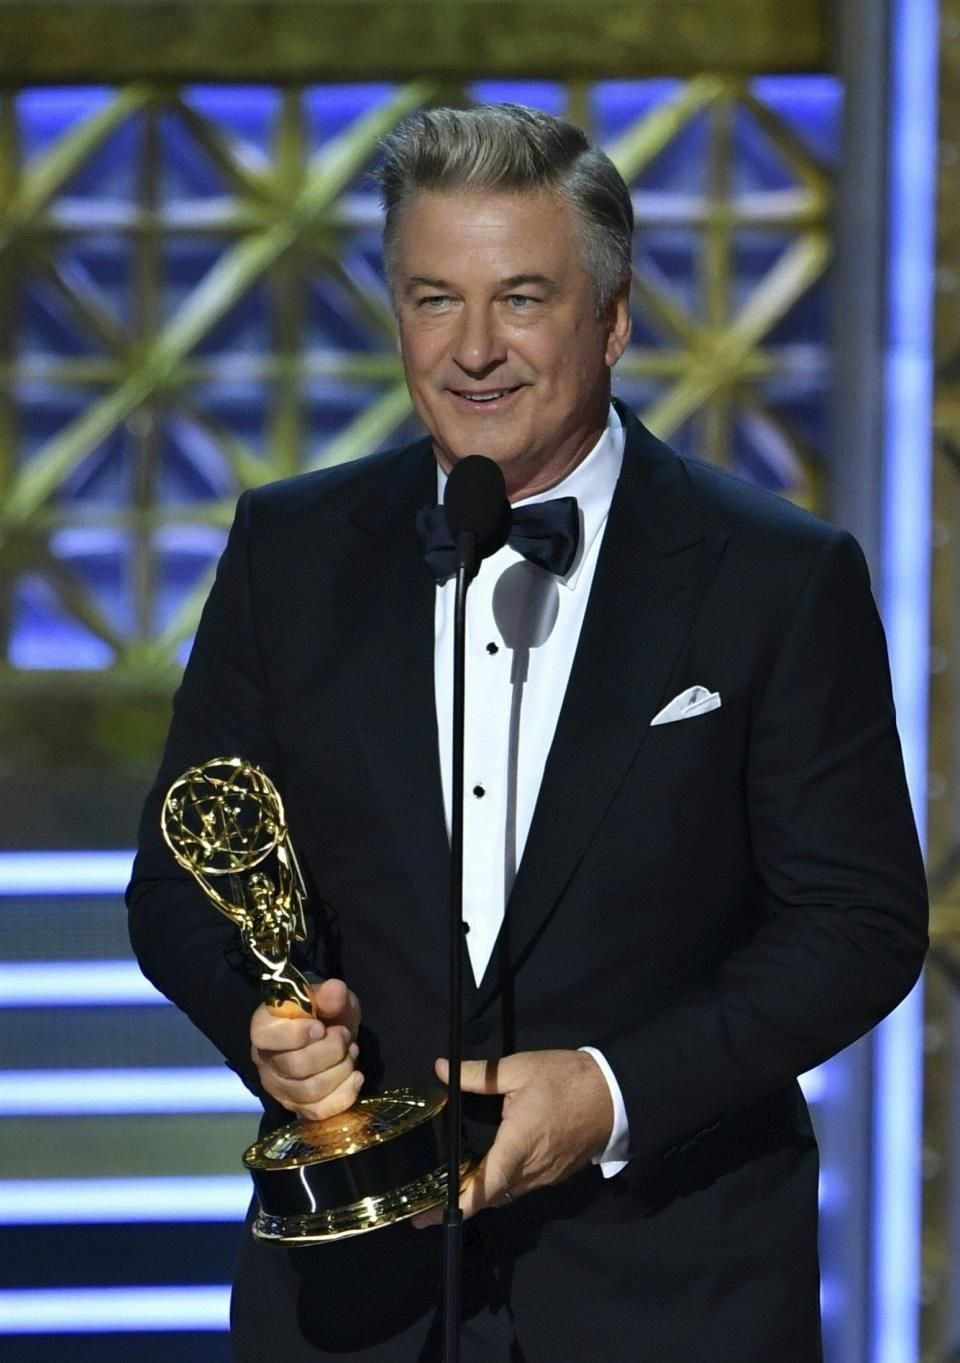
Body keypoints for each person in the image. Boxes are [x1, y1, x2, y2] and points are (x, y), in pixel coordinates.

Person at [127, 104, 928, 1363]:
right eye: (435, 298)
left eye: (523, 299)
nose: (474, 351)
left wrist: (612, 1089)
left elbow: (859, 922)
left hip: (674, 1293)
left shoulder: (778, 576)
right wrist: (265, 1033)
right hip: (354, 1304)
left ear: (612, 319)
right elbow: (180, 882)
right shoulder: (289, 550)